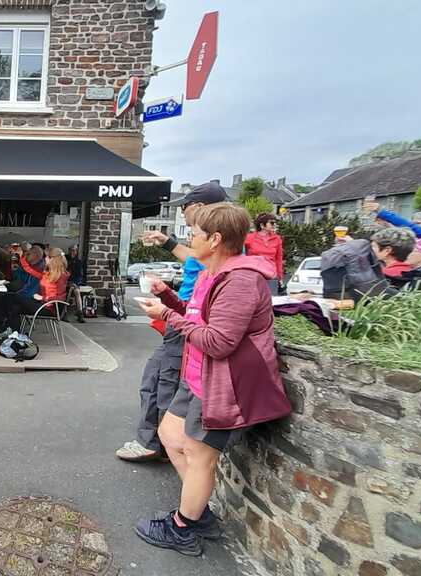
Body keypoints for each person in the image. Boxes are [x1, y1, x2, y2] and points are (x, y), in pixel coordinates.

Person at [136, 203, 290, 555]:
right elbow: (196, 317)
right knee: (169, 435)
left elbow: (219, 342)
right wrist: (167, 298)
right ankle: (197, 513)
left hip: (223, 385)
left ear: (215, 239)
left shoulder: (241, 281)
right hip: (196, 377)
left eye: (194, 234)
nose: (190, 239)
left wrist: (167, 316)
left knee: (199, 455)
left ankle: (184, 528)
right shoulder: (211, 273)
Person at [116, 182, 229, 464]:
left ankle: (162, 445)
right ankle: (158, 442)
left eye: (185, 208)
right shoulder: (213, 247)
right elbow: (195, 260)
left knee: (164, 381)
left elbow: (203, 272)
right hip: (183, 318)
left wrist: (168, 311)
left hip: (187, 325)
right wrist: (167, 293)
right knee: (156, 377)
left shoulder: (220, 251)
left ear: (200, 208)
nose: (183, 213)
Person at [0, 246, 69, 331]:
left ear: (53, 260)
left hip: (48, 308)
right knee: (14, 306)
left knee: (13, 297)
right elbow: (29, 270)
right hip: (41, 304)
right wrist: (21, 257)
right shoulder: (47, 274)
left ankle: (6, 327)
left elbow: (60, 298)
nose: (45, 258)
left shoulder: (61, 276)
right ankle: (13, 332)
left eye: (47, 257)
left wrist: (43, 298)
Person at [244, 213, 284, 295]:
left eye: (275, 223)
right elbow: (242, 255)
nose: (274, 225)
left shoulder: (277, 239)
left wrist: (280, 277)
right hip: (254, 275)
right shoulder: (249, 238)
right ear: (262, 225)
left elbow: (279, 259)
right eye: (271, 223)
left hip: (271, 275)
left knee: (271, 298)